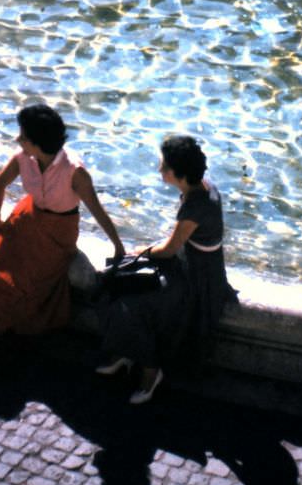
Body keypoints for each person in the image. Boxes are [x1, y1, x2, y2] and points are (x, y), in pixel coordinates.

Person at [0, 102, 125, 394]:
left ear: (37, 141)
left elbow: (96, 210)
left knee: (20, 290)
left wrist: (118, 245)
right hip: (26, 219)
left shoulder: (75, 171)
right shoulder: (24, 157)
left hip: (58, 235)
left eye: (23, 135)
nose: (18, 140)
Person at [96, 134, 238, 404]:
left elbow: (170, 249)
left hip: (195, 278)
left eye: (164, 166)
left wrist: (142, 252)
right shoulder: (202, 188)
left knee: (135, 303)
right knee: (120, 288)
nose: (160, 169)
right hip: (194, 265)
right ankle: (126, 351)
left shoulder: (195, 206)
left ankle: (151, 370)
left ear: (178, 173)